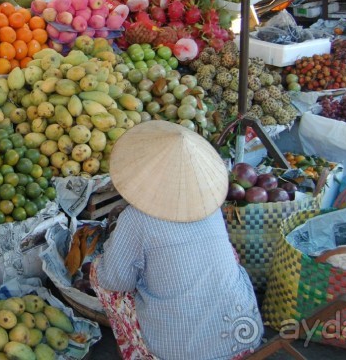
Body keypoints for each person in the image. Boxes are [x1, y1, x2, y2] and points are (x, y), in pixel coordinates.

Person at [91, 120, 263, 360]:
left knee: (100, 273)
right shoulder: (209, 205)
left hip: (181, 352)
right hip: (245, 338)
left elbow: (115, 280)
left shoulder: (136, 219)